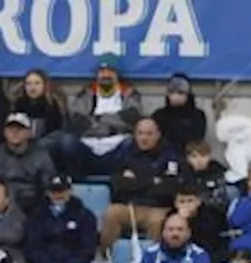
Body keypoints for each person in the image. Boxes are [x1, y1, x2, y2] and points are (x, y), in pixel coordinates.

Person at [102, 117, 181, 248]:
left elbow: (168, 188)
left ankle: (153, 261)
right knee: (111, 213)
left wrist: (136, 181)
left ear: (158, 135)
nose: (144, 138)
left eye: (149, 134)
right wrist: (152, 180)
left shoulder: (169, 155)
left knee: (159, 221)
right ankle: (108, 259)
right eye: (140, 133)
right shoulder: (125, 152)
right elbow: (118, 184)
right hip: (128, 206)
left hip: (157, 208)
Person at [63, 55, 142, 178]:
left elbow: (131, 118)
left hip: (117, 145)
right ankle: (75, 184)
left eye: (110, 71)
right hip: (88, 145)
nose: (106, 75)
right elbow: (78, 120)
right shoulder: (86, 93)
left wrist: (98, 119)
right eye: (102, 71)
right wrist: (110, 124)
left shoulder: (129, 93)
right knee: (67, 142)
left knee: (132, 143)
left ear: (117, 74)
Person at [0, 112, 56, 216]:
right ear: (4, 132)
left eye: (20, 129)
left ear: (29, 132)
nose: (14, 132)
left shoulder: (42, 156)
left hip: (32, 212)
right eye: (10, 129)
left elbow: (48, 189)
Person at [26, 174, 97, 263]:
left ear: (70, 190)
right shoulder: (37, 216)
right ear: (47, 192)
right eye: (54, 191)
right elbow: (33, 247)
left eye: (62, 191)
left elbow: (88, 249)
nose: (58, 195)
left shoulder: (85, 216)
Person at [151, 74, 206, 154]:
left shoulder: (198, 116)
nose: (175, 96)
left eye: (180, 93)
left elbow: (196, 142)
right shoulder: (159, 115)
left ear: (188, 95)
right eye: (172, 92)